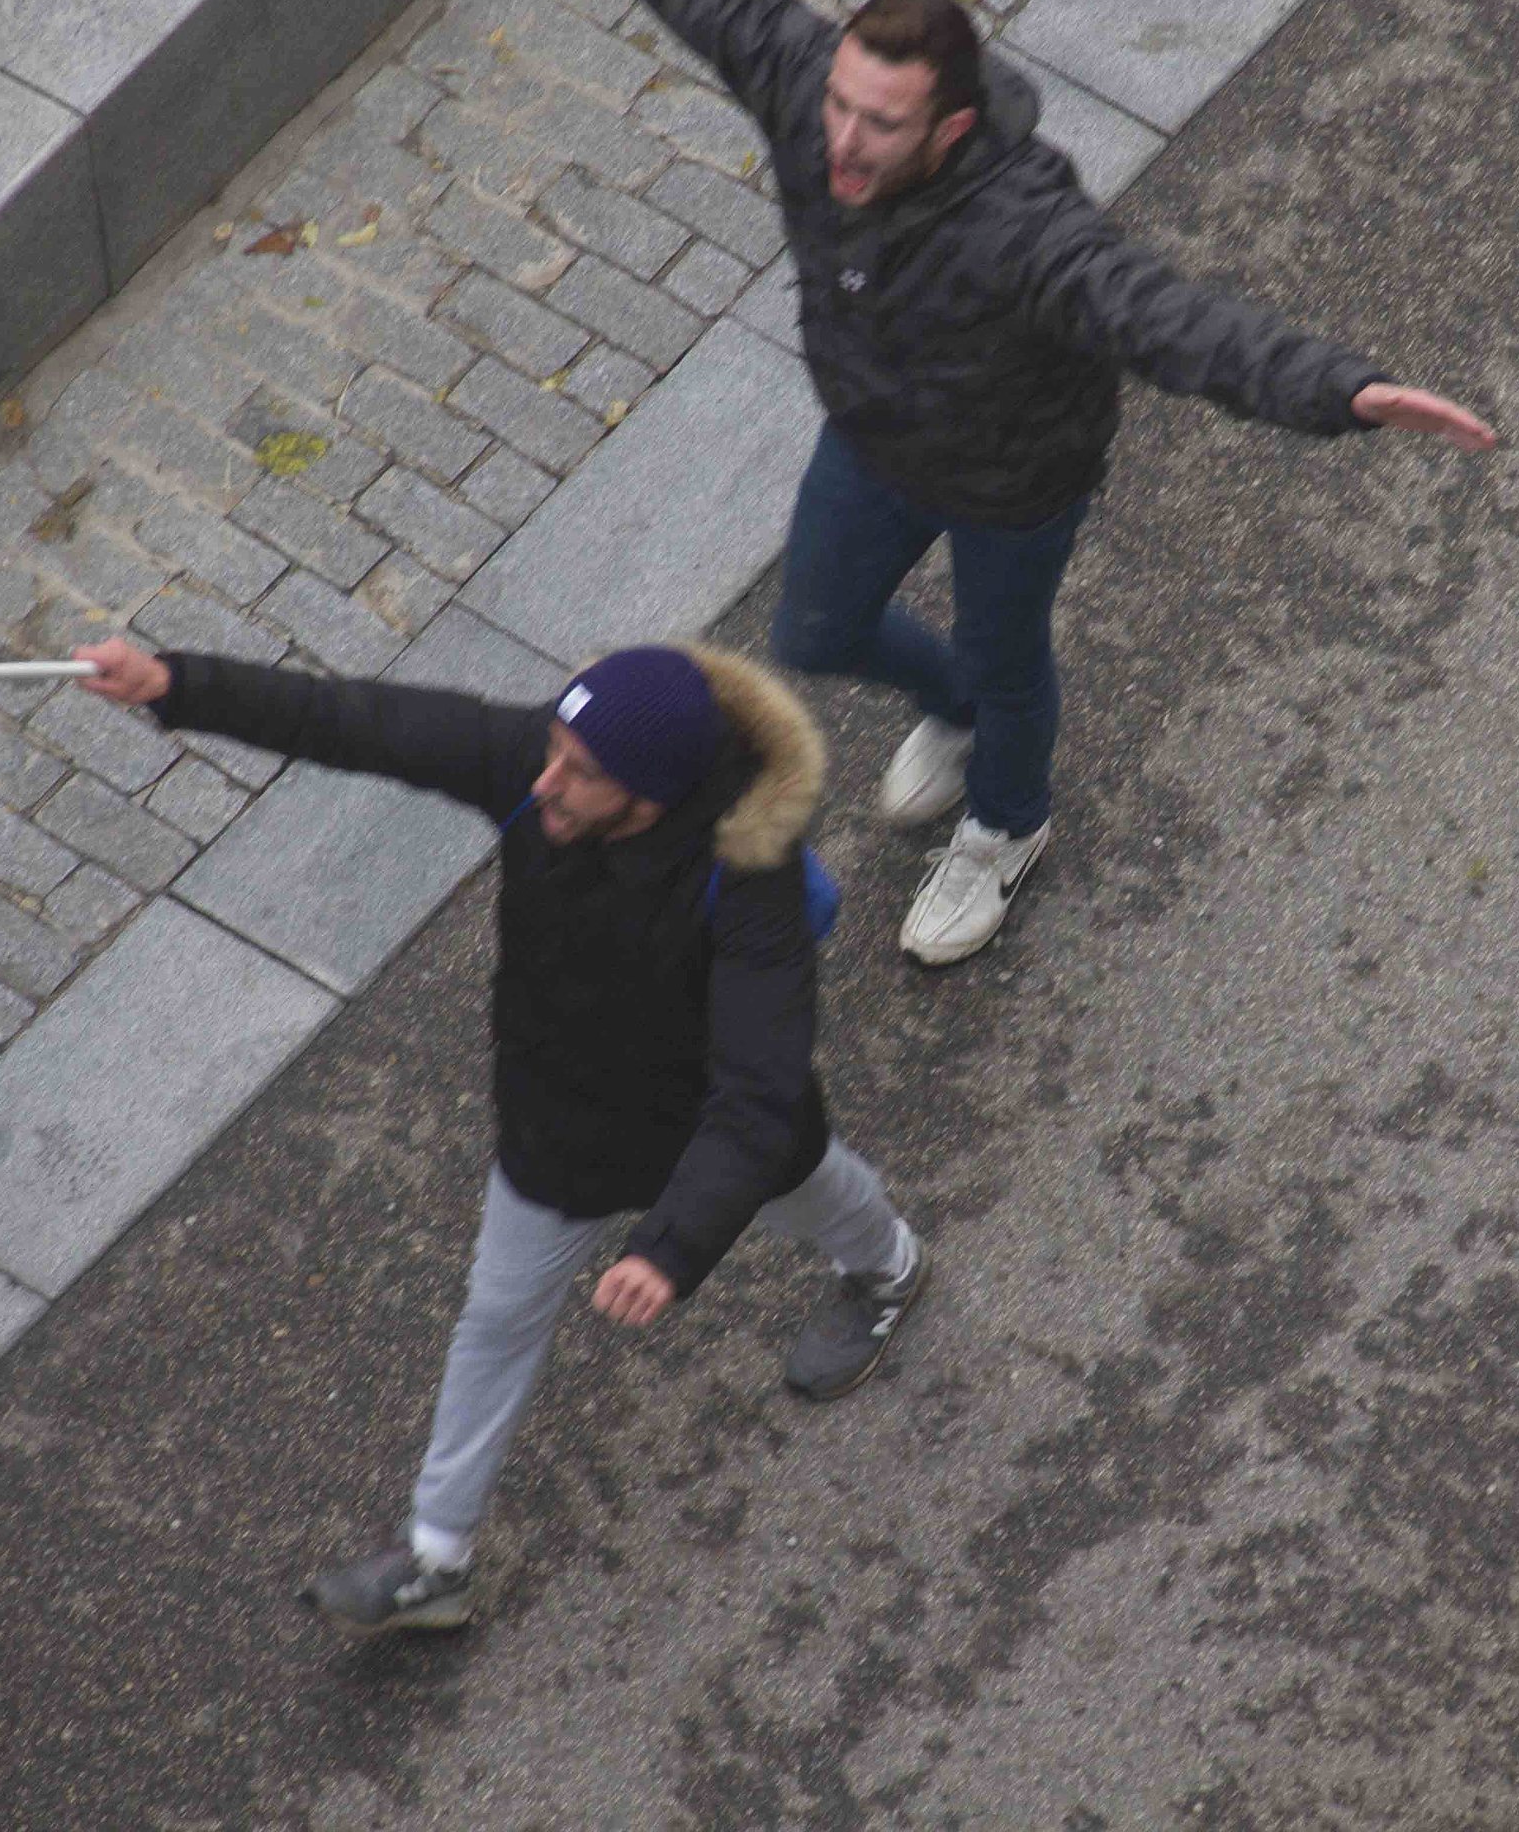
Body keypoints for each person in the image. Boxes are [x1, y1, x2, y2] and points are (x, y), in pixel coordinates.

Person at [466, 0, 1497, 965]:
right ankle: (956, 710)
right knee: (816, 627)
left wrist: (1342, 390)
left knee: (1013, 662)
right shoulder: (809, 92)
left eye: (879, 126)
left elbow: (1168, 317)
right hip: (875, 437)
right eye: (839, 106)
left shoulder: (1023, 226)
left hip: (1015, 477)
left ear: (949, 132)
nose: (840, 144)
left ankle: (1008, 821)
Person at [74, 634, 928, 1633]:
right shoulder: (545, 764)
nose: (545, 779)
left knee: (820, 1190)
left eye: (580, 771)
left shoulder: (749, 884)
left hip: (708, 1138)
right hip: (560, 1124)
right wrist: (180, 680)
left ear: (649, 793)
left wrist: (670, 1244)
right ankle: (438, 1559)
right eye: (554, 748)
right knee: (497, 1317)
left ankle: (892, 1269)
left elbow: (757, 1091)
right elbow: (359, 719)